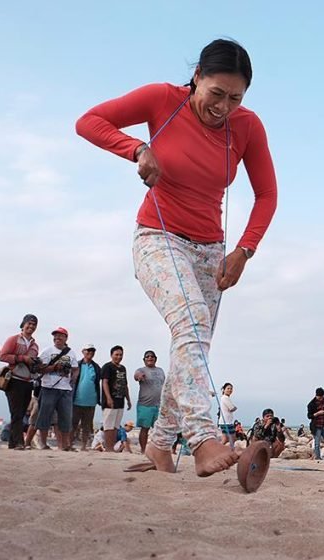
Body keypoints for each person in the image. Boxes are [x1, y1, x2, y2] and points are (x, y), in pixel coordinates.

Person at [77, 39, 278, 477]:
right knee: (191, 327)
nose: (224, 106)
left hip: (213, 251)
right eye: (216, 94)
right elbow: (88, 121)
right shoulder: (161, 100)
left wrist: (245, 250)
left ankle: (162, 446)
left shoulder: (247, 127)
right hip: (158, 237)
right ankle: (203, 438)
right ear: (196, 78)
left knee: (192, 345)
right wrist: (136, 148)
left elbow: (267, 195)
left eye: (235, 98)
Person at [0, 314, 39, 450]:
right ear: (23, 325)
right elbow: (3, 356)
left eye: (34, 325)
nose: (31, 326)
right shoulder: (14, 340)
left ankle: (12, 443)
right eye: (29, 324)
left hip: (28, 381)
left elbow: (34, 364)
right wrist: (22, 358)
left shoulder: (35, 345)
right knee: (16, 412)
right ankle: (19, 442)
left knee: (21, 413)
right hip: (14, 380)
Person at [36, 328, 79, 451]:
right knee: (44, 416)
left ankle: (65, 445)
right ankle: (43, 444)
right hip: (48, 387)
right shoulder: (47, 351)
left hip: (65, 388)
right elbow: (39, 368)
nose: (57, 338)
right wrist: (54, 367)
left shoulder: (71, 353)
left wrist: (74, 378)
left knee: (66, 417)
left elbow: (75, 368)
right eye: (55, 336)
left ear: (66, 338)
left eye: (60, 336)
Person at [101, 345, 132, 453]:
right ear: (112, 355)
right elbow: (104, 382)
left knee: (115, 426)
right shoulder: (107, 367)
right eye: (116, 354)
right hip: (110, 401)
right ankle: (108, 447)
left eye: (120, 355)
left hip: (120, 400)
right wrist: (108, 398)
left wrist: (128, 399)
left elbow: (125, 385)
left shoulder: (123, 368)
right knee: (108, 425)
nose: (119, 357)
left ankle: (112, 447)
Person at [134, 351, 166, 453]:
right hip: (145, 405)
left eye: (152, 356)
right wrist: (139, 376)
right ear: (144, 360)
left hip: (159, 405)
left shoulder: (160, 371)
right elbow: (136, 375)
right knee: (145, 428)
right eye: (147, 356)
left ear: (155, 359)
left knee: (159, 430)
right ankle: (143, 450)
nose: (150, 358)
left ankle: (157, 450)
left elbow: (165, 385)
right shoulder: (141, 369)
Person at [72, 343, 101, 451]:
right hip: (76, 400)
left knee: (87, 426)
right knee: (73, 424)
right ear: (83, 351)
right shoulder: (77, 365)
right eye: (88, 350)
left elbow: (99, 383)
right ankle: (69, 444)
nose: (90, 353)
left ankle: (84, 446)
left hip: (91, 401)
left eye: (92, 351)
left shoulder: (97, 367)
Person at [307, 388, 324, 460]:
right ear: (316, 395)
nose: (320, 399)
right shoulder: (311, 404)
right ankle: (317, 457)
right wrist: (317, 413)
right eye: (319, 397)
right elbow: (309, 416)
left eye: (322, 397)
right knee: (317, 443)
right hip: (316, 426)